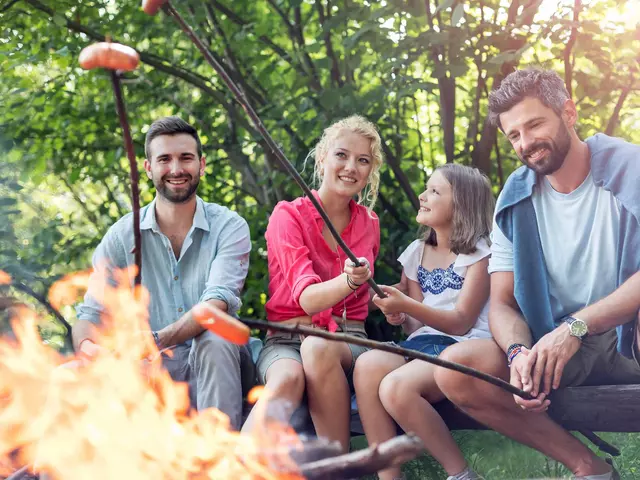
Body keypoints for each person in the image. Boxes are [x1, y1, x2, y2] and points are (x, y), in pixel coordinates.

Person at [434, 68, 640, 480]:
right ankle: (591, 470)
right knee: (454, 368)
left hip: (627, 334)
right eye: (514, 135)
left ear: (568, 113)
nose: (526, 143)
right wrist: (517, 353)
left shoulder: (631, 166)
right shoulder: (514, 198)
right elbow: (502, 304)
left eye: (534, 124)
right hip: (556, 347)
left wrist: (577, 328)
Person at [74, 116, 254, 430]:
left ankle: (221, 463)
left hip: (219, 364)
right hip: (152, 370)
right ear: (148, 168)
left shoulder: (229, 226)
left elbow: (214, 308)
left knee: (216, 336)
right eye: (164, 159)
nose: (175, 169)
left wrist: (154, 340)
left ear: (202, 164)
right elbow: (89, 315)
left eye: (185, 158)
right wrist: (95, 351)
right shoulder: (121, 237)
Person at [242, 115, 383, 452]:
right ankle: (229, 468)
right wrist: (349, 280)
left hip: (350, 339)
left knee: (318, 347)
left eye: (363, 160)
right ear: (322, 158)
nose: (351, 167)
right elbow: (307, 300)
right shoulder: (287, 215)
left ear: (370, 172)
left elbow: (362, 296)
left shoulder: (369, 223)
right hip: (286, 340)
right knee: (287, 378)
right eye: (342, 155)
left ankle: (336, 466)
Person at [354, 164, 494, 480]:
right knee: (366, 365)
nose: (422, 196)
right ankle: (388, 475)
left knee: (395, 387)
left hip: (464, 346)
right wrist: (401, 314)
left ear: (462, 205)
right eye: (426, 188)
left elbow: (461, 322)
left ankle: (461, 474)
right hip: (424, 343)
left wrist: (407, 305)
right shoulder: (416, 252)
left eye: (434, 191)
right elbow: (416, 326)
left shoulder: (481, 253)